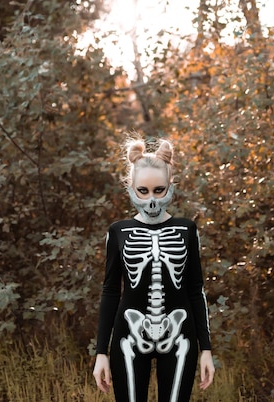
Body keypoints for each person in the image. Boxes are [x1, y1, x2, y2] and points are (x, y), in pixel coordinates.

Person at [93, 137, 215, 402]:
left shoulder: (186, 229)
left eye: (159, 190)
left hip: (180, 335)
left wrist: (206, 348)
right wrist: (101, 352)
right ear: (131, 188)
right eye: (143, 191)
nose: (151, 200)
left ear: (171, 187)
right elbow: (110, 291)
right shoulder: (118, 231)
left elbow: (196, 290)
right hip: (129, 336)